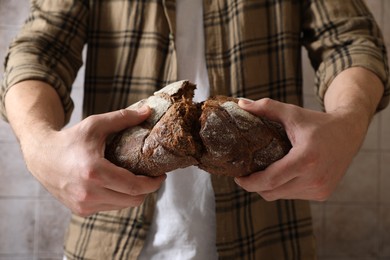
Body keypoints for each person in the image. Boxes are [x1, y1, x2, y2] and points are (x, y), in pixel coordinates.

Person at [1, 0, 389, 259]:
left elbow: (350, 39)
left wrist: (346, 125)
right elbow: (39, 49)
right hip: (109, 239)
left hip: (267, 234)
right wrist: (38, 145)